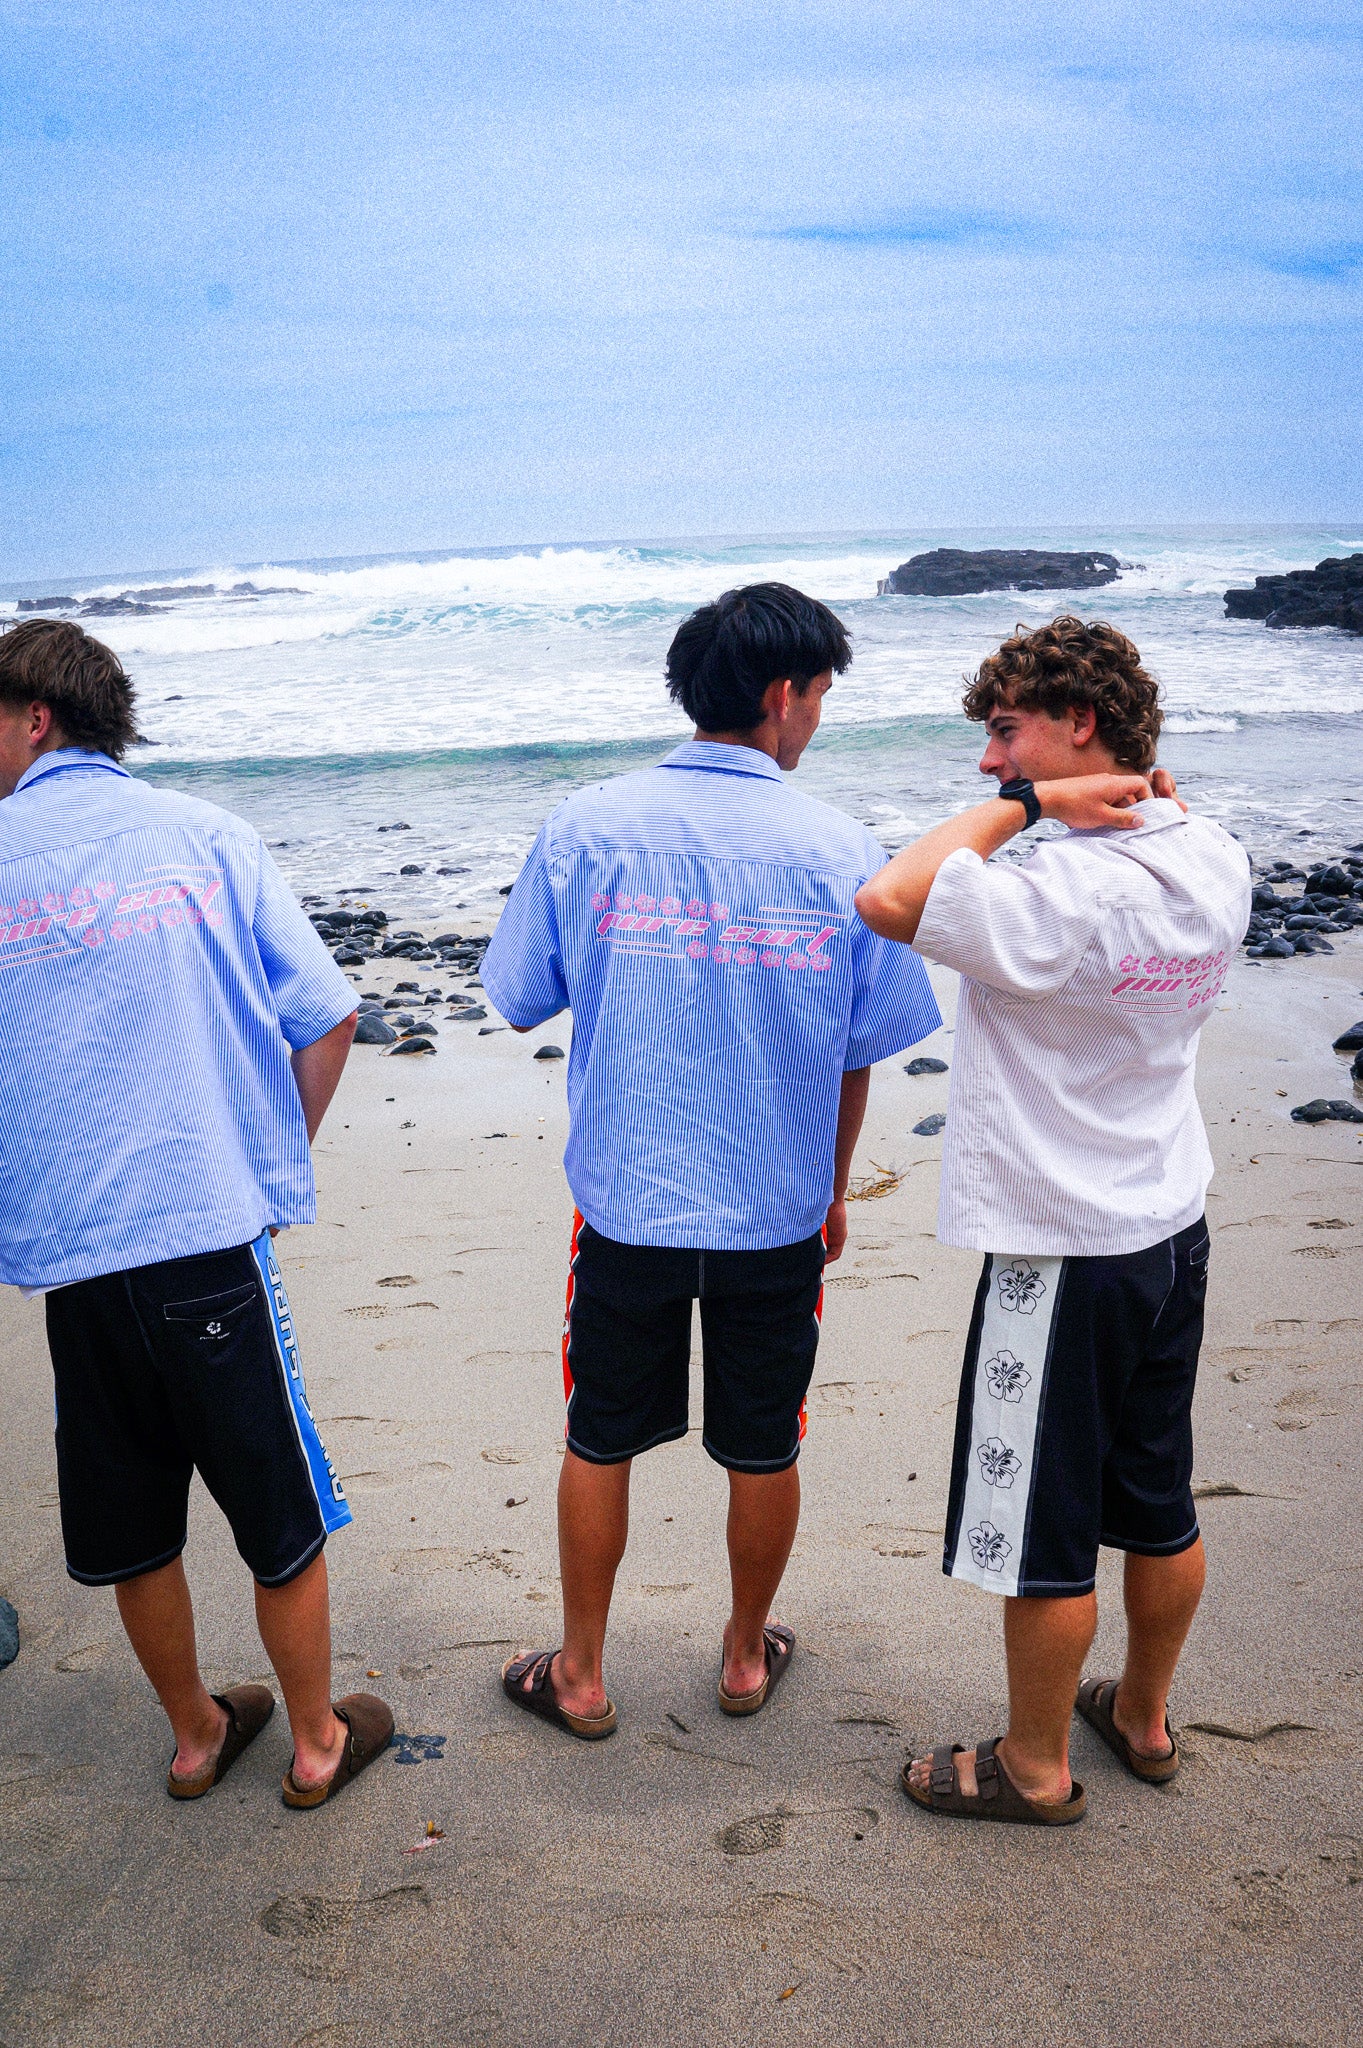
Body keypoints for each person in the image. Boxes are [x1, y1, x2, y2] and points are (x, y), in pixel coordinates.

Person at [481, 583, 941, 1736]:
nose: (819, 717)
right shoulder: (841, 850)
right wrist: (833, 1187)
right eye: (822, 694)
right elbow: (857, 1050)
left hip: (630, 1200)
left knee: (598, 1436)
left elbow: (521, 993)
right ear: (782, 695)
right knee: (760, 1441)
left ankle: (580, 1674)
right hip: (774, 1208)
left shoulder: (585, 824)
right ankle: (743, 1655)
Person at [856, 614, 1250, 1826]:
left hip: (1062, 1244)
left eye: (1004, 730)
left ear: (1078, 725)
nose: (987, 761)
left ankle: (1031, 1766)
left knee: (1041, 1522)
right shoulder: (1213, 850)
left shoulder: (1051, 889)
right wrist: (1088, 794)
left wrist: (1033, 810)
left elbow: (891, 892)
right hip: (1166, 1218)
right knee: (1158, 1492)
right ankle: (1139, 1710)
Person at [0, 619, 392, 1805]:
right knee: (279, 1509)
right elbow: (328, 1018)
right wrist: (266, 1161)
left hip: (76, 1258)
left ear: (35, 716)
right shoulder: (208, 837)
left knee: (135, 1521)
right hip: (206, 1238)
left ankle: (194, 1734)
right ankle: (318, 1739)